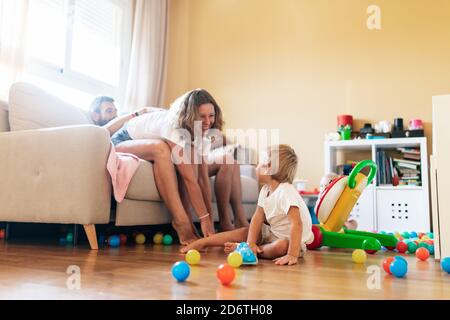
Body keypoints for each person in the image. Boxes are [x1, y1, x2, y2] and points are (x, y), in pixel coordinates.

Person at [89, 96, 200, 245]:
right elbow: (104, 131)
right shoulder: (98, 128)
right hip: (118, 142)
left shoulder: (129, 122)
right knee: (159, 147)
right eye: (109, 111)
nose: (115, 114)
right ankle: (181, 222)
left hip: (136, 141)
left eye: (115, 111)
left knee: (177, 153)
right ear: (96, 115)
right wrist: (135, 113)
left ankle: (188, 220)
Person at [180, 144, 314, 266]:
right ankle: (203, 243)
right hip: (273, 233)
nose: (256, 166)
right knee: (246, 231)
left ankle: (245, 250)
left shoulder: (286, 191)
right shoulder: (265, 190)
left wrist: (292, 254)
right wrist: (251, 242)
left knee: (281, 246)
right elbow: (257, 218)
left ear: (268, 168)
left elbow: (297, 224)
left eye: (260, 163)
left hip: (293, 242)